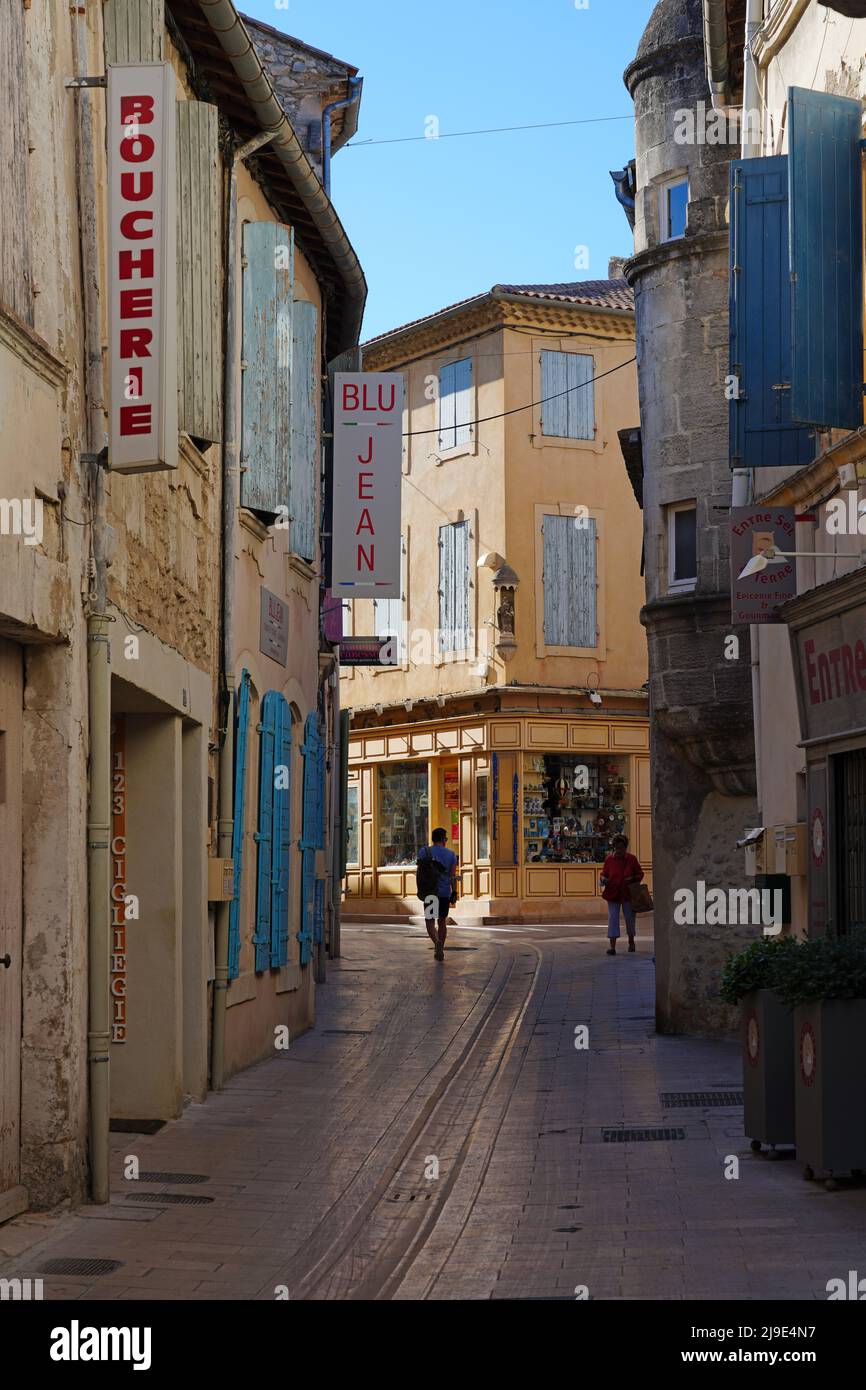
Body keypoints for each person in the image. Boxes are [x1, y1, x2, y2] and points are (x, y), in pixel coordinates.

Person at [600, 834, 644, 956]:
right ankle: (612, 946)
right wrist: (604, 879)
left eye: (622, 847)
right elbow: (604, 873)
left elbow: (640, 874)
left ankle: (631, 941)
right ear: (614, 847)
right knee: (612, 919)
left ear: (625, 847)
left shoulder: (632, 859)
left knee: (630, 919)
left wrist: (632, 879)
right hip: (613, 893)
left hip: (628, 894)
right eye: (617, 848)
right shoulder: (609, 859)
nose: (619, 850)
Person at [419, 827, 458, 962]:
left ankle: (436, 943)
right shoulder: (451, 855)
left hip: (429, 892)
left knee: (430, 921)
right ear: (443, 839)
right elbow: (453, 876)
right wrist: (454, 892)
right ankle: (440, 944)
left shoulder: (424, 852)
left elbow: (420, 871)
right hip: (443, 893)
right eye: (446, 839)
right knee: (442, 921)